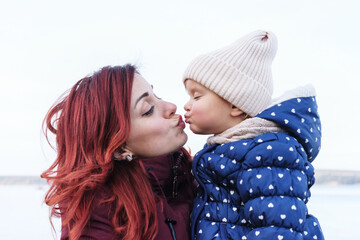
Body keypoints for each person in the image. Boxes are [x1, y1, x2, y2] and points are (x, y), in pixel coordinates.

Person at [182, 30, 324, 240]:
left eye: (196, 96)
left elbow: (277, 230)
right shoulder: (231, 148)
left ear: (234, 104)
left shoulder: (268, 151)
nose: (186, 105)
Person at [41, 64, 195, 240]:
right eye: (148, 110)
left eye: (157, 96)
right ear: (119, 148)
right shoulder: (96, 212)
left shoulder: (194, 174)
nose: (171, 106)